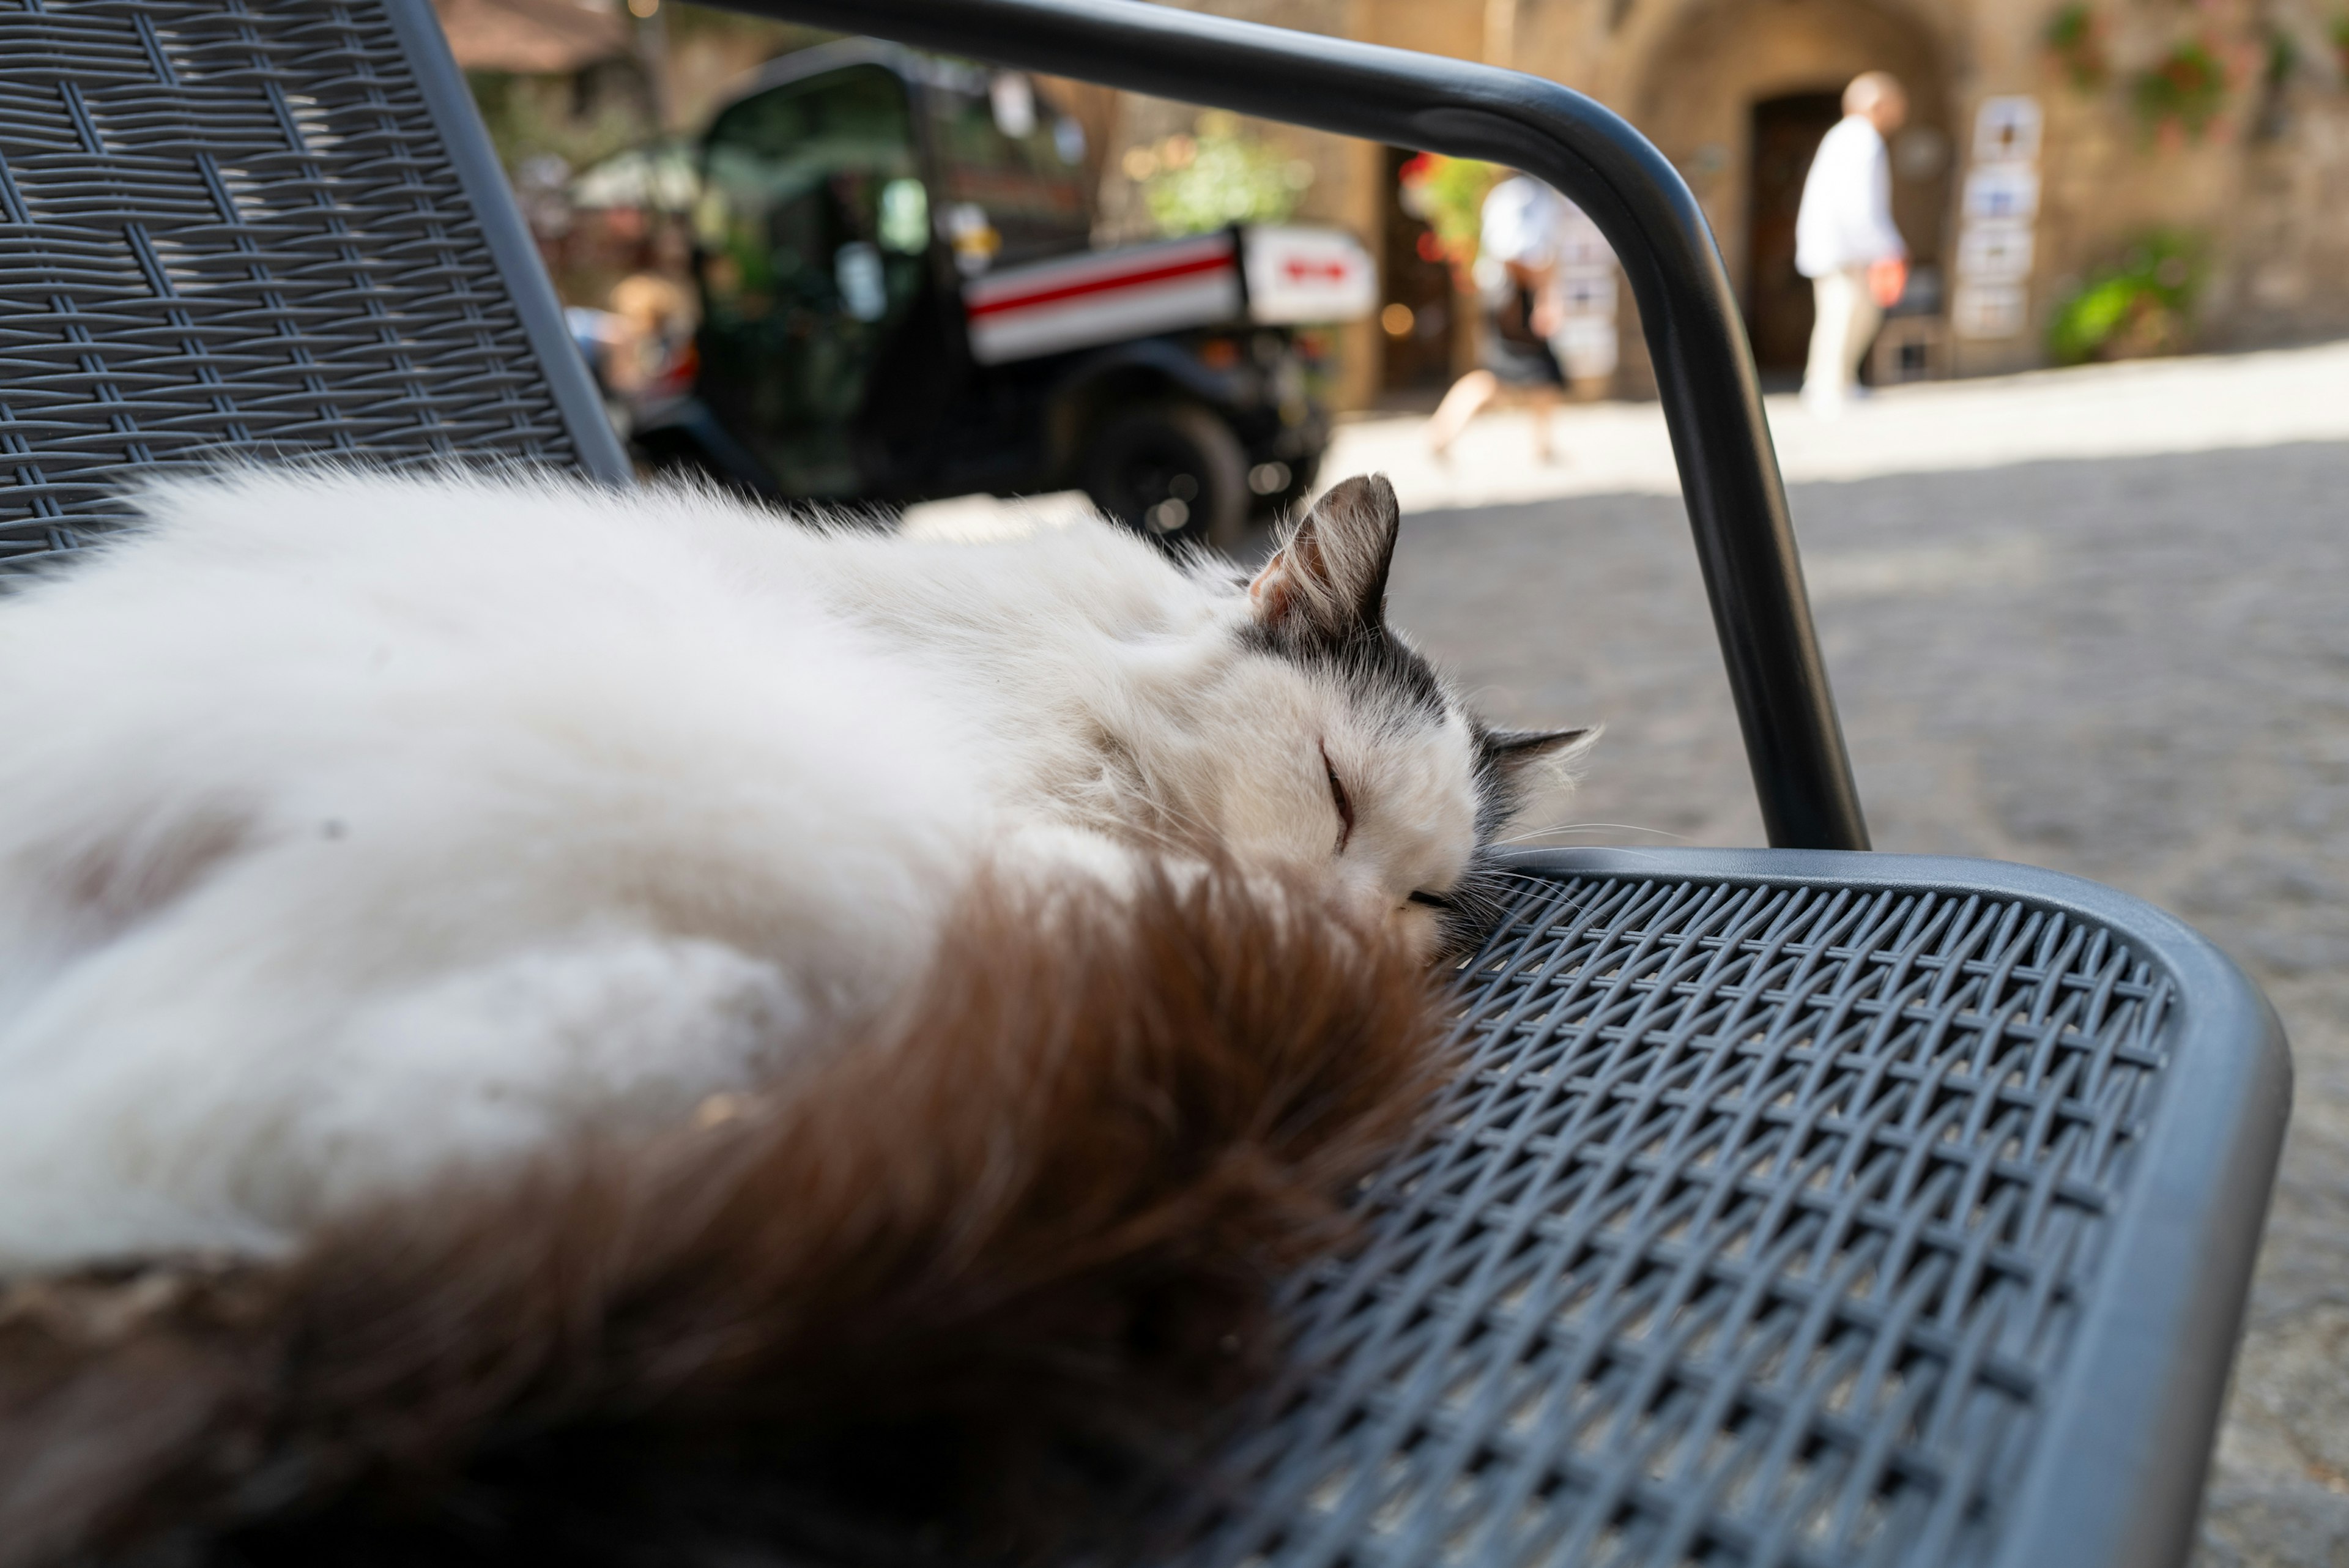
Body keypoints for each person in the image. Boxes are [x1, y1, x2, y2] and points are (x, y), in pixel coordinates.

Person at [1425, 174, 1614, 462]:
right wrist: (1543, 297)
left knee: (1541, 376)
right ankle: (1442, 433)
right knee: (1500, 378)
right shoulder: (1524, 195)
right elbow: (1516, 253)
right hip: (1516, 297)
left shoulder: (1517, 193)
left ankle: (1543, 447)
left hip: (1513, 295)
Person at [1795, 72, 1909, 417]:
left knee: (1852, 314)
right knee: (1842, 315)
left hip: (1843, 247)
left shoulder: (1846, 138)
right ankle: (1826, 385)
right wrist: (1887, 247)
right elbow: (1860, 204)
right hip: (1846, 250)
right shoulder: (1861, 140)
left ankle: (1840, 381)